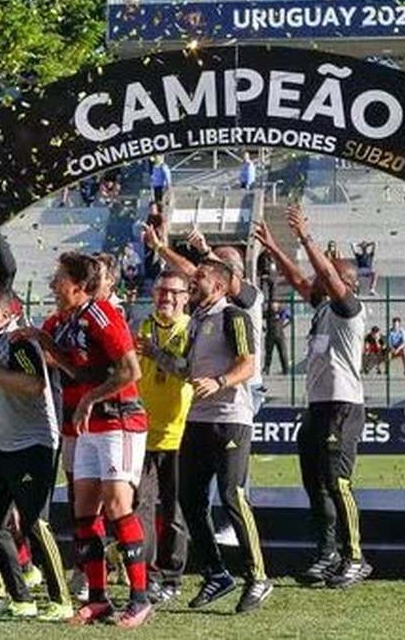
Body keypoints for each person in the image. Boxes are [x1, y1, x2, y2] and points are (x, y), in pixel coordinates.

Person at [30, 252, 152, 626]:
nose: (53, 284)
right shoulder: (68, 322)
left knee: (117, 506)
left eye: (59, 279)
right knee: (83, 511)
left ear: (79, 287)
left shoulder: (101, 314)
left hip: (120, 421)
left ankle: (140, 597)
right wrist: (44, 341)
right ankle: (98, 598)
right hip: (90, 426)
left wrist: (87, 399)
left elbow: (130, 372)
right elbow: (77, 369)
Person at [255, 205, 372, 589]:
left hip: (342, 406)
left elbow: (322, 275)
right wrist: (273, 247)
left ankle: (356, 556)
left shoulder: (349, 310)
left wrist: (306, 237)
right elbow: (301, 279)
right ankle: (327, 553)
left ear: (345, 283)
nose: (320, 278)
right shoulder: (323, 308)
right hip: (317, 407)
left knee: (338, 482)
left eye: (332, 274)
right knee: (315, 483)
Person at [0, 287, 71, 621]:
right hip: (2, 447)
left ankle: (61, 599)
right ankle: (21, 597)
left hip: (34, 445)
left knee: (34, 524)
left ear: (7, 312)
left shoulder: (19, 342)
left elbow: (34, 385)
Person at [179, 259, 272, 613]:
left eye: (199, 276)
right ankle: (216, 574)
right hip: (198, 420)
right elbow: (186, 370)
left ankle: (258, 577)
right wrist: (154, 355)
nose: (193, 279)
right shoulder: (196, 321)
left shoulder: (234, 316)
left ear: (218, 286)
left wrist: (219, 382)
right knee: (190, 499)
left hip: (231, 419)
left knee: (233, 496)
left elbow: (248, 365)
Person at [134, 270, 192, 605]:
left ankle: (172, 576)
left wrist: (155, 353)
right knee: (141, 507)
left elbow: (187, 370)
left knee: (174, 512)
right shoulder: (142, 326)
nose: (165, 298)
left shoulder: (191, 328)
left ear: (186, 296)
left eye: (173, 292)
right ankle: (147, 575)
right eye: (160, 292)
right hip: (142, 431)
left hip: (179, 433)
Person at [263, 300, 290, 375]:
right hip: (270, 335)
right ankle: (266, 369)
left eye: (275, 303)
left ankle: (286, 370)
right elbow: (259, 317)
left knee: (283, 353)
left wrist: (283, 326)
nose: (273, 305)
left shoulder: (282, 312)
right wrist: (264, 328)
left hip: (280, 336)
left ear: (278, 304)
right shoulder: (268, 312)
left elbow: (289, 318)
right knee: (268, 354)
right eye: (272, 303)